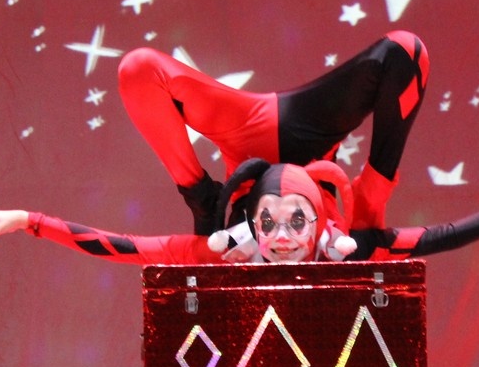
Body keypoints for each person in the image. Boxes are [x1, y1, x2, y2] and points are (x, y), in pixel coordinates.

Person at [0, 145, 479, 265]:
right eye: (271, 222)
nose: (285, 235)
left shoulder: (355, 251)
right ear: (250, 223)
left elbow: (449, 234)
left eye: (298, 221)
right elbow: (119, 246)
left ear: (321, 224)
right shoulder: (218, 255)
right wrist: (28, 221)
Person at [116, 30, 430, 235]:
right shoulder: (344, 249)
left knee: (137, 68)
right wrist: (370, 205)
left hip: (246, 140)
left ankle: (204, 198)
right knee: (406, 51)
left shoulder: (225, 251)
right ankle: (369, 197)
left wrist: (201, 205)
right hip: (310, 137)